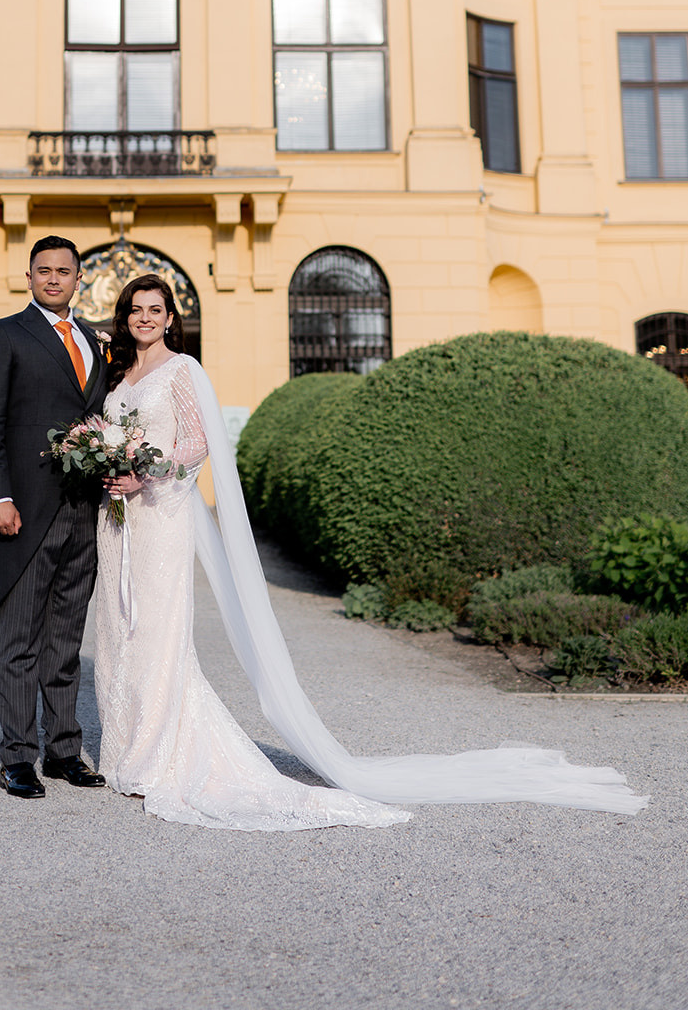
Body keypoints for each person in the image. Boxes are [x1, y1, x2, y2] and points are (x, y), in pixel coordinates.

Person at [93, 275, 647, 830]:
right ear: (126, 316)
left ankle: (156, 755)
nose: (145, 318)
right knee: (119, 629)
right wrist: (106, 465)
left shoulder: (183, 370)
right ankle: (124, 749)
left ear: (171, 318)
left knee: (159, 633)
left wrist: (143, 473)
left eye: (155, 310)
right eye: (136, 309)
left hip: (159, 516)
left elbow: (197, 441)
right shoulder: (120, 375)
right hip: (117, 521)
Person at [0, 236, 109, 798]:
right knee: (21, 637)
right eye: (43, 271)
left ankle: (64, 749)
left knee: (67, 639)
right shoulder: (3, 334)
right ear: (28, 277)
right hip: (24, 510)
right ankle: (19, 756)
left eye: (65, 271)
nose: (54, 279)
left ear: (79, 278)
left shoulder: (94, 341)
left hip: (84, 511)